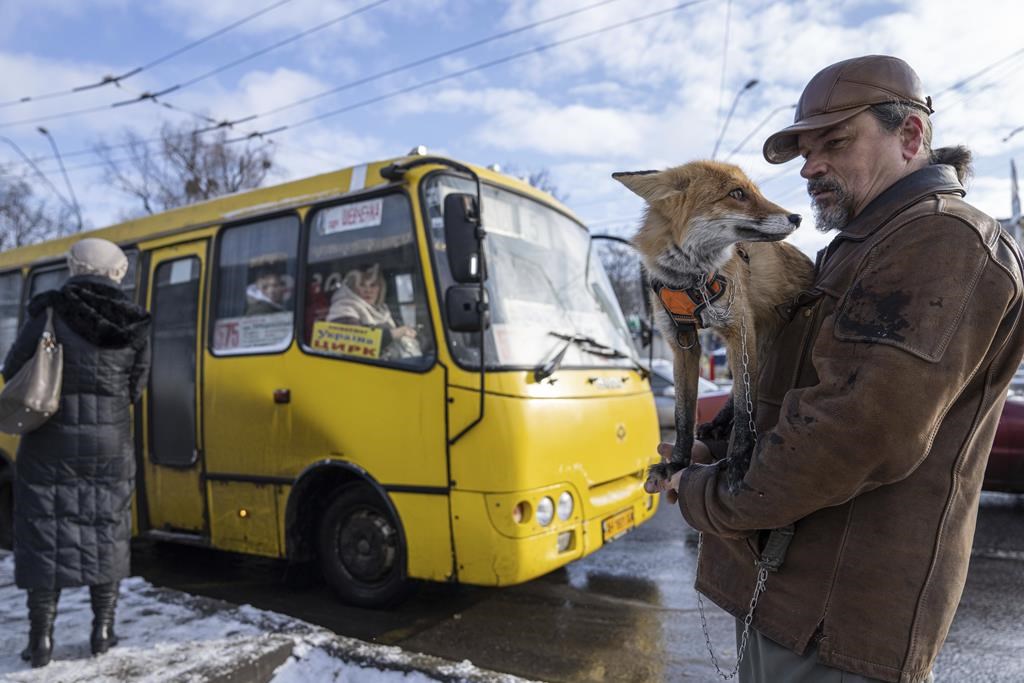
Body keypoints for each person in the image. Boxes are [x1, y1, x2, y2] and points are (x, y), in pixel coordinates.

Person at [648, 55, 1024, 682]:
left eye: (835, 142)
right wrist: (709, 448)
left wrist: (707, 495)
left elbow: (855, 433)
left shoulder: (941, 242)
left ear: (910, 137)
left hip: (838, 620)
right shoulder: (859, 247)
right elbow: (790, 382)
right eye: (804, 149)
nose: (810, 166)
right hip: (792, 596)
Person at [2, 238, 151, 668]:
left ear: (75, 267)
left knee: (44, 537)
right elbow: (135, 388)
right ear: (116, 273)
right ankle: (103, 631)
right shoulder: (135, 322)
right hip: (110, 445)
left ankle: (41, 641)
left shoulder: (49, 312)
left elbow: (13, 368)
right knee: (106, 532)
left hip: (49, 441)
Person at [326, 263, 421, 359]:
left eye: (373, 285)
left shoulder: (382, 309)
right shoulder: (343, 308)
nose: (368, 290)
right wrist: (395, 333)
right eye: (362, 285)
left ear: (380, 288)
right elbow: (353, 341)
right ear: (352, 288)